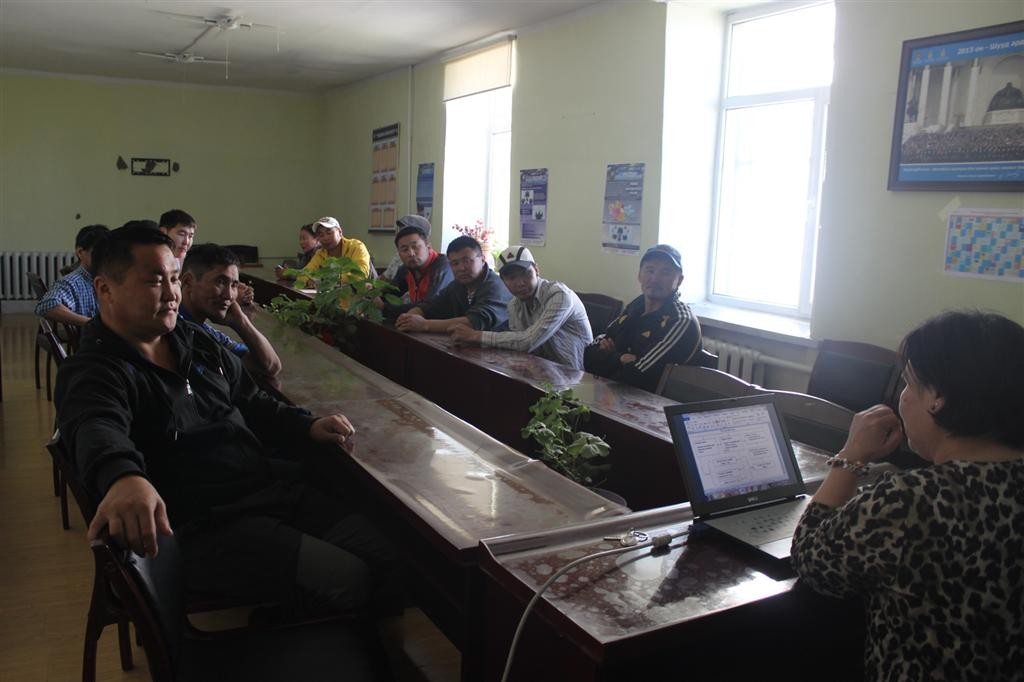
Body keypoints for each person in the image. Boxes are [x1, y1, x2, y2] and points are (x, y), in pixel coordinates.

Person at [54, 225, 399, 620]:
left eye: (173, 279)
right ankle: (281, 634)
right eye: (154, 281)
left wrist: (306, 425)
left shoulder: (192, 339)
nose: (171, 294)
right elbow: (96, 427)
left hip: (264, 491)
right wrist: (123, 477)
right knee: (349, 577)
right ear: (105, 289)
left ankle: (327, 631)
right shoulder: (95, 370)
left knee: (386, 552)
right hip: (207, 527)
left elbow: (252, 401)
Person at [791, 310, 1024, 681]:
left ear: (938, 398)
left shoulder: (910, 501)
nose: (903, 398)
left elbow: (812, 560)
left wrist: (851, 455)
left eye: (909, 384)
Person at [449, 245, 592, 369]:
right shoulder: (514, 305)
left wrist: (476, 336)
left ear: (536, 270)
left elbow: (528, 341)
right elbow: (517, 345)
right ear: (503, 281)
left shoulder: (559, 295)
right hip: (541, 372)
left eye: (526, 274)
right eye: (511, 278)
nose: (520, 283)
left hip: (576, 378)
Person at [583, 244, 702, 392]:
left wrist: (608, 359)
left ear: (679, 280)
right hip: (616, 396)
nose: (655, 279)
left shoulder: (680, 320)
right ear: (639, 275)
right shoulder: (636, 306)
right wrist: (620, 358)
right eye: (650, 270)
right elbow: (588, 355)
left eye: (665, 273)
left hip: (660, 403)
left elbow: (637, 376)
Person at [180, 243, 282, 381]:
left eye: (234, 285)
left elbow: (270, 366)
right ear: (188, 281)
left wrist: (240, 321)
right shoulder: (174, 329)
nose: (229, 295)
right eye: (220, 282)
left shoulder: (206, 331)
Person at [395, 235, 511, 333]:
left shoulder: (496, 286)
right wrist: (411, 316)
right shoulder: (457, 285)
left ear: (482, 259)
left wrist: (424, 325)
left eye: (467, 261)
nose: (461, 268)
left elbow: (475, 322)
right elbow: (432, 305)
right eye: (455, 263)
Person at [35, 224, 110, 327]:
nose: (104, 257)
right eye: (98, 252)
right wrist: (91, 324)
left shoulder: (111, 279)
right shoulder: (72, 282)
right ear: (80, 252)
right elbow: (46, 306)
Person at [379, 217, 453, 316]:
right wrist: (370, 295)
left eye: (415, 247)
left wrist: (385, 308)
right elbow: (389, 294)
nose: (411, 253)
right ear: (399, 254)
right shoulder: (406, 269)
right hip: (418, 321)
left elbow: (429, 306)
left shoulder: (443, 267)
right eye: (405, 249)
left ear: (428, 247)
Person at [294, 216, 373, 287]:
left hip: (367, 293)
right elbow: (304, 274)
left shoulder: (356, 246)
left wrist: (325, 280)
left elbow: (360, 274)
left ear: (340, 232)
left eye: (329, 233)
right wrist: (308, 281)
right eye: (321, 235)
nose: (325, 238)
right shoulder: (321, 254)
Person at [381, 214, 433, 282]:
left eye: (407, 230)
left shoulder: (434, 265)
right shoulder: (400, 255)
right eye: (401, 229)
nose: (402, 233)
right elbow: (386, 276)